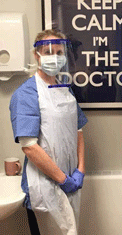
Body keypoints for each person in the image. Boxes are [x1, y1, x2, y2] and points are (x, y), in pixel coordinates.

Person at [9, 29, 88, 235]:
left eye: (59, 52)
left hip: (71, 180)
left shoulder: (66, 89)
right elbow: (30, 147)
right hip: (44, 185)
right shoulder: (26, 94)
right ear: (37, 55)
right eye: (48, 51)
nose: (54, 57)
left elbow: (78, 131)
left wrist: (80, 169)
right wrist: (61, 179)